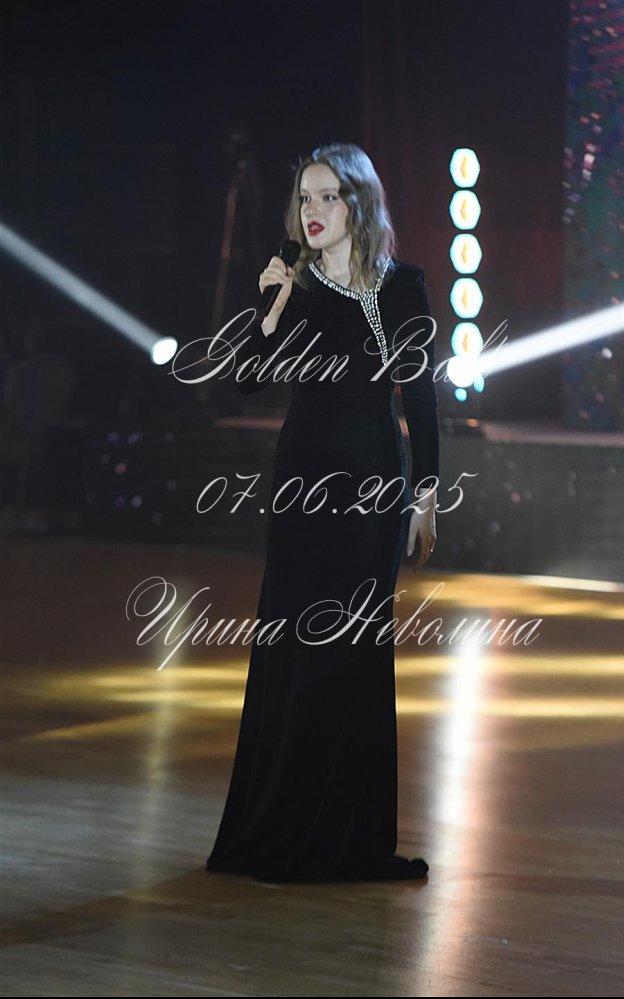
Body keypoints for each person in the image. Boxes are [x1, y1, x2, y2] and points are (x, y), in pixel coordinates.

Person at [206, 142, 439, 883]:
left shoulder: (402, 285)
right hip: (305, 487)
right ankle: (283, 829)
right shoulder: (296, 288)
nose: (312, 211)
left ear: (357, 203)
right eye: (304, 197)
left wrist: (425, 494)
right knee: (300, 648)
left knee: (357, 654)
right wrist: (270, 304)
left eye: (327, 196)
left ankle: (353, 840)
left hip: (375, 487)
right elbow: (245, 378)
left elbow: (421, 397)